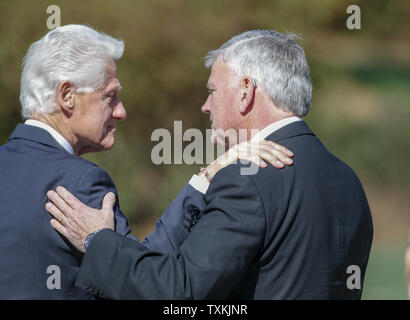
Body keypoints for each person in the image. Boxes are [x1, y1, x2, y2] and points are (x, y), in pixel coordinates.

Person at [46, 30, 373, 299]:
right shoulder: (349, 180)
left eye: (213, 91)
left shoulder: (250, 178)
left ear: (245, 92)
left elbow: (178, 291)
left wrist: (96, 240)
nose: (205, 106)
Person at [0, 25, 292, 299]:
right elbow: (143, 274)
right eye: (110, 96)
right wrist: (209, 173)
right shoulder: (80, 181)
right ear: (67, 96)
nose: (121, 112)